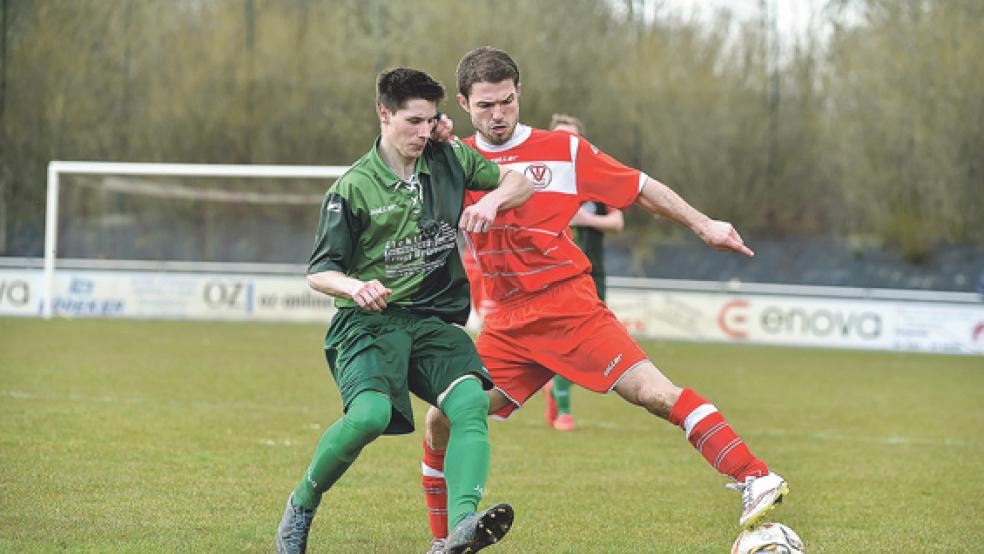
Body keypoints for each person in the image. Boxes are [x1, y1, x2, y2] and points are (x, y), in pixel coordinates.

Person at [419, 47, 788, 550]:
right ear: (463, 103)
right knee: (442, 416)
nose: (499, 114)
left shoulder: (563, 151)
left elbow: (639, 186)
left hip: (568, 307)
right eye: (485, 106)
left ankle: (755, 476)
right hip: (506, 323)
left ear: (519, 92)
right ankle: (444, 543)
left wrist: (704, 224)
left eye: (507, 101)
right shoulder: (454, 159)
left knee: (656, 395)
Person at [275, 67, 533, 554]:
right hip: (369, 324)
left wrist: (494, 201)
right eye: (413, 121)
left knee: (470, 403)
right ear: (384, 114)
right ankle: (302, 503)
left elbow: (521, 181)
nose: (423, 132)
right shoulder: (352, 188)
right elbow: (318, 271)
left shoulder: (451, 157)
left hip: (434, 320)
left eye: (430, 120)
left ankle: (461, 529)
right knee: (369, 416)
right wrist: (354, 286)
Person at [542, 113, 626, 432]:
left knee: (591, 344)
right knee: (565, 342)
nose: (567, 143)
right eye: (560, 136)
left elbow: (617, 222)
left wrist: (582, 219)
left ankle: (557, 387)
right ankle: (563, 403)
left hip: (593, 273)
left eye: (573, 137)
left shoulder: (597, 180)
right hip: (552, 275)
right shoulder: (538, 180)